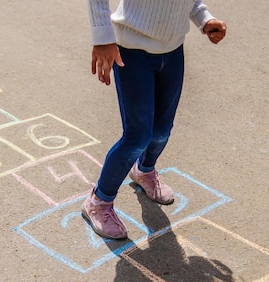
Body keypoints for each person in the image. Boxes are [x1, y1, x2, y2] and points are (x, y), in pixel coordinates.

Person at [82, 0, 227, 239]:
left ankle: (144, 170)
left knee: (162, 130)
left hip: (172, 51)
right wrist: (102, 37)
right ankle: (98, 201)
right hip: (131, 51)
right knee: (138, 137)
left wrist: (204, 18)